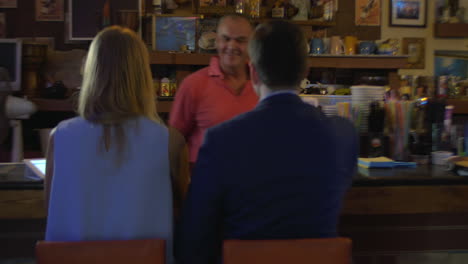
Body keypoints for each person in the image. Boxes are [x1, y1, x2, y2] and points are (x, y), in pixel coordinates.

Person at [176, 21, 358, 264]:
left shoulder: (221, 140)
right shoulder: (343, 135)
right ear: (306, 72)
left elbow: (192, 242)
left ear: (253, 72)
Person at [44, 26, 189, 263]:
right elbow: (186, 216)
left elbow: (50, 211)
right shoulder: (169, 141)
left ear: (91, 71)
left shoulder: (60, 136)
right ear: (142, 74)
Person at [169, 14, 258, 165]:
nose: (232, 46)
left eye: (240, 40)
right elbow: (174, 143)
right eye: (226, 39)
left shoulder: (263, 84)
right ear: (216, 41)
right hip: (205, 184)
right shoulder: (193, 84)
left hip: (253, 185)